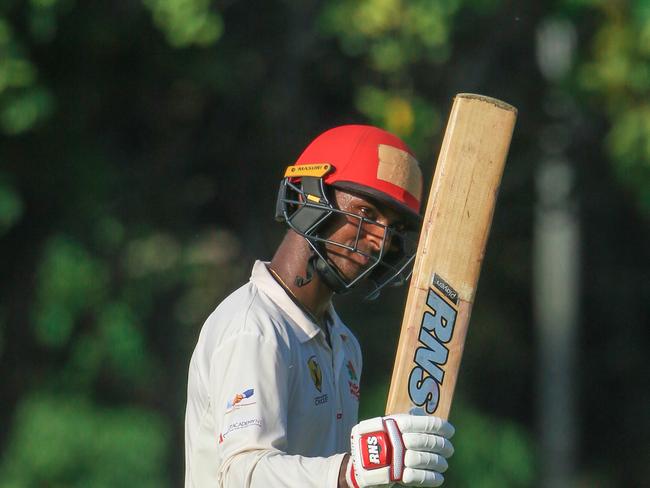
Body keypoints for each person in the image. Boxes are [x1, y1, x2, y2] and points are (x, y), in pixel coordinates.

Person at [184, 125, 456, 488]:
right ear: (312, 198)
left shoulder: (344, 344)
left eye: (393, 228)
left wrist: (380, 473)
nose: (380, 241)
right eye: (368, 212)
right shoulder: (255, 328)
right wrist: (353, 471)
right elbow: (239, 474)